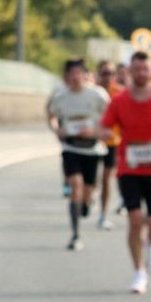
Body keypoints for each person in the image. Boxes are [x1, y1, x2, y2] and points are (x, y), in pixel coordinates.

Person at [97, 51, 151, 293]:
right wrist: (104, 133)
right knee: (135, 220)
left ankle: (150, 243)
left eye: (145, 69)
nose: (140, 74)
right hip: (129, 167)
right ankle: (139, 272)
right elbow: (105, 125)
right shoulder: (120, 100)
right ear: (129, 71)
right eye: (136, 69)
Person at [46, 58, 110, 250]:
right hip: (71, 147)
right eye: (72, 74)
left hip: (92, 148)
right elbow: (51, 116)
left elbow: (110, 116)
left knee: (88, 191)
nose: (75, 77)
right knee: (75, 186)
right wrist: (56, 129)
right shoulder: (61, 96)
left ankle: (87, 203)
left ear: (85, 75)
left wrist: (97, 131)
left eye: (78, 73)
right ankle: (75, 234)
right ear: (67, 76)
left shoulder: (97, 94)